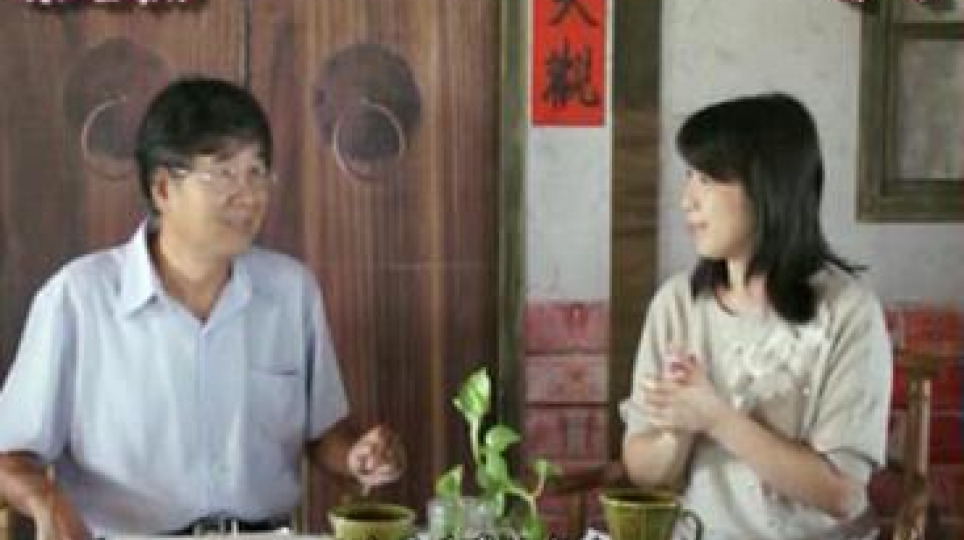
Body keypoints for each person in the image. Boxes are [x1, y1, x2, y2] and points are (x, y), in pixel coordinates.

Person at [0, 77, 406, 540]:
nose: (248, 195)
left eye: (257, 172)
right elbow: (9, 455)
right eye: (223, 174)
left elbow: (325, 433)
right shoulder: (77, 299)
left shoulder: (291, 291)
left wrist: (357, 457)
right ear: (162, 189)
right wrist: (46, 500)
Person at [620, 93, 892, 540]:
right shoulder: (676, 303)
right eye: (689, 176)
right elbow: (644, 472)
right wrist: (675, 433)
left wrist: (716, 418)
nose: (687, 200)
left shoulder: (849, 312)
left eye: (707, 179)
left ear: (769, 188)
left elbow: (843, 494)